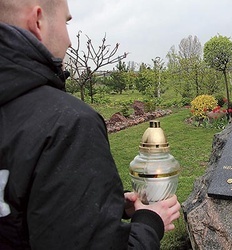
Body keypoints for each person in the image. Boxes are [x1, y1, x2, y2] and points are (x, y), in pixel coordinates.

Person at [0, 0, 181, 249]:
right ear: (38, 21)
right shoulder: (66, 125)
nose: (70, 41)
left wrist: (107, 205)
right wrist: (150, 222)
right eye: (66, 22)